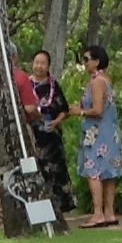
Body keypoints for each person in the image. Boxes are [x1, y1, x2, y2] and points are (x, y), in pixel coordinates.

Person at [71, 42, 122, 228]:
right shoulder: (106, 80)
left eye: (86, 59)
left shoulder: (97, 82)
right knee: (108, 173)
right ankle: (109, 212)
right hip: (110, 132)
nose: (84, 63)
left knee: (93, 171)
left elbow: (98, 110)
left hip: (98, 133)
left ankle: (98, 213)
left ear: (96, 61)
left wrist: (80, 112)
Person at [26, 49, 70, 187]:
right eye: (36, 62)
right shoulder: (25, 84)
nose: (39, 66)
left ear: (48, 66)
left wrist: (57, 121)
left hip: (52, 136)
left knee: (57, 171)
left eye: (43, 63)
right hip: (32, 135)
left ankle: (61, 198)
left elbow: (64, 109)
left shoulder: (54, 85)